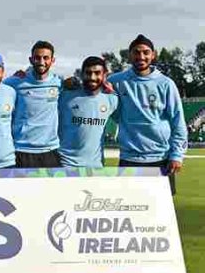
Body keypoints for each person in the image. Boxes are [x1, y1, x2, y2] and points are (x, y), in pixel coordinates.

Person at [108, 34, 187, 193]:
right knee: (127, 209)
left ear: (153, 54)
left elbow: (178, 121)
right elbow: (92, 85)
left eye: (145, 52)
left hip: (160, 158)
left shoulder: (166, 84)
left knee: (162, 213)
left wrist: (177, 155)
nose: (141, 56)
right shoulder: (116, 81)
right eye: (136, 52)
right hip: (129, 158)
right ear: (129, 55)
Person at [4, 41, 63, 168]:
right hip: (21, 150)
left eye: (46, 58)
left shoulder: (59, 82)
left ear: (53, 60)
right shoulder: (15, 81)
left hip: (50, 151)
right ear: (31, 59)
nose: (41, 61)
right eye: (37, 57)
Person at [58, 56, 119, 168]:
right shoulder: (65, 95)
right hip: (65, 165)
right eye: (88, 73)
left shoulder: (112, 99)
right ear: (82, 74)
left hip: (95, 167)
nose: (92, 77)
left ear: (104, 75)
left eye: (97, 73)